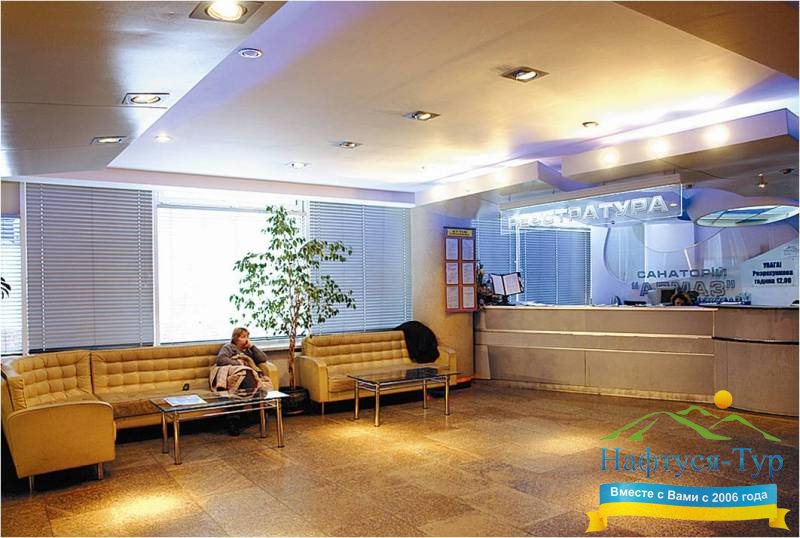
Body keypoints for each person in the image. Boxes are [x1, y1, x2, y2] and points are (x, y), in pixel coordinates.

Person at [215, 327, 270, 436]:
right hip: (236, 375)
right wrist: (239, 365)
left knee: (250, 380)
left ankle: (234, 419)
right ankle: (255, 413)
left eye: (247, 337)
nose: (246, 339)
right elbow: (221, 359)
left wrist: (252, 347)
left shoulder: (249, 350)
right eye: (243, 337)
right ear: (235, 338)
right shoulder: (229, 347)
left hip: (249, 376)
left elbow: (263, 359)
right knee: (248, 380)